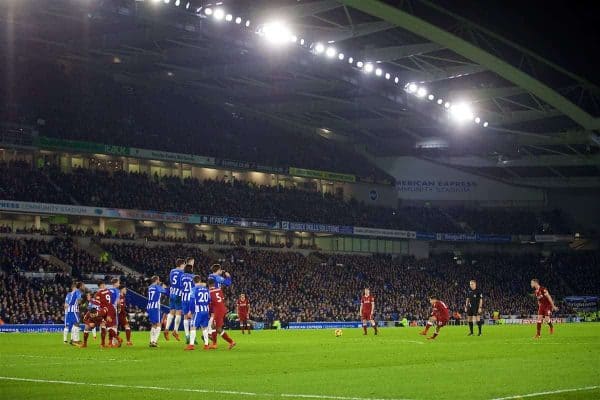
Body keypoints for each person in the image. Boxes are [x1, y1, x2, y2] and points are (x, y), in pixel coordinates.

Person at [208, 277, 236, 350]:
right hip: (222, 309)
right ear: (214, 283)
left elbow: (210, 303)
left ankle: (230, 342)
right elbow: (223, 299)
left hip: (217, 310)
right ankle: (215, 343)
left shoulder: (209, 292)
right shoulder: (219, 290)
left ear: (208, 284)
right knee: (214, 326)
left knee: (217, 328)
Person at [185, 275, 211, 351]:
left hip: (198, 311)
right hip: (206, 310)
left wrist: (191, 311)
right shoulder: (206, 289)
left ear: (193, 282)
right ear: (200, 281)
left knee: (193, 326)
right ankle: (206, 345)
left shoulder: (193, 289)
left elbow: (192, 301)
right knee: (204, 327)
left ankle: (191, 345)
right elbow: (209, 300)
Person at [164, 259, 185, 341]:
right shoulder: (182, 273)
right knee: (178, 312)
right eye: (184, 265)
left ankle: (166, 329)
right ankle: (175, 331)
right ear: (182, 265)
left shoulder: (172, 271)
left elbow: (171, 281)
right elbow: (182, 283)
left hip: (172, 293)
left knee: (171, 311)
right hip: (178, 293)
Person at [147, 275, 168, 347]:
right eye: (158, 280)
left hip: (149, 306)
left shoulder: (149, 287)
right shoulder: (157, 287)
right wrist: (164, 286)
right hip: (156, 307)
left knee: (153, 324)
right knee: (159, 324)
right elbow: (166, 292)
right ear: (156, 280)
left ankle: (151, 341)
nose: (159, 281)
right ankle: (154, 342)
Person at [94, 281, 113, 348]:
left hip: (103, 310)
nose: (105, 285)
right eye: (104, 284)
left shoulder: (98, 293)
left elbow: (97, 304)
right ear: (101, 285)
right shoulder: (109, 291)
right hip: (110, 309)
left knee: (103, 325)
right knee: (111, 326)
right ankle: (110, 342)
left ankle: (102, 343)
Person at [181, 261, 195, 344]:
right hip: (191, 298)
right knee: (192, 316)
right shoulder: (193, 277)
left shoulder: (182, 277)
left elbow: (180, 286)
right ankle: (193, 336)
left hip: (184, 298)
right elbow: (194, 288)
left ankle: (187, 335)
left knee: (185, 317)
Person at [108, 278, 122, 347]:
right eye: (118, 283)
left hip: (107, 309)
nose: (119, 284)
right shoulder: (117, 291)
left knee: (109, 325)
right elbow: (118, 301)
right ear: (115, 283)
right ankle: (115, 342)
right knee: (114, 325)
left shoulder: (108, 290)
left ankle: (110, 342)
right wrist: (119, 308)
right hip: (113, 308)